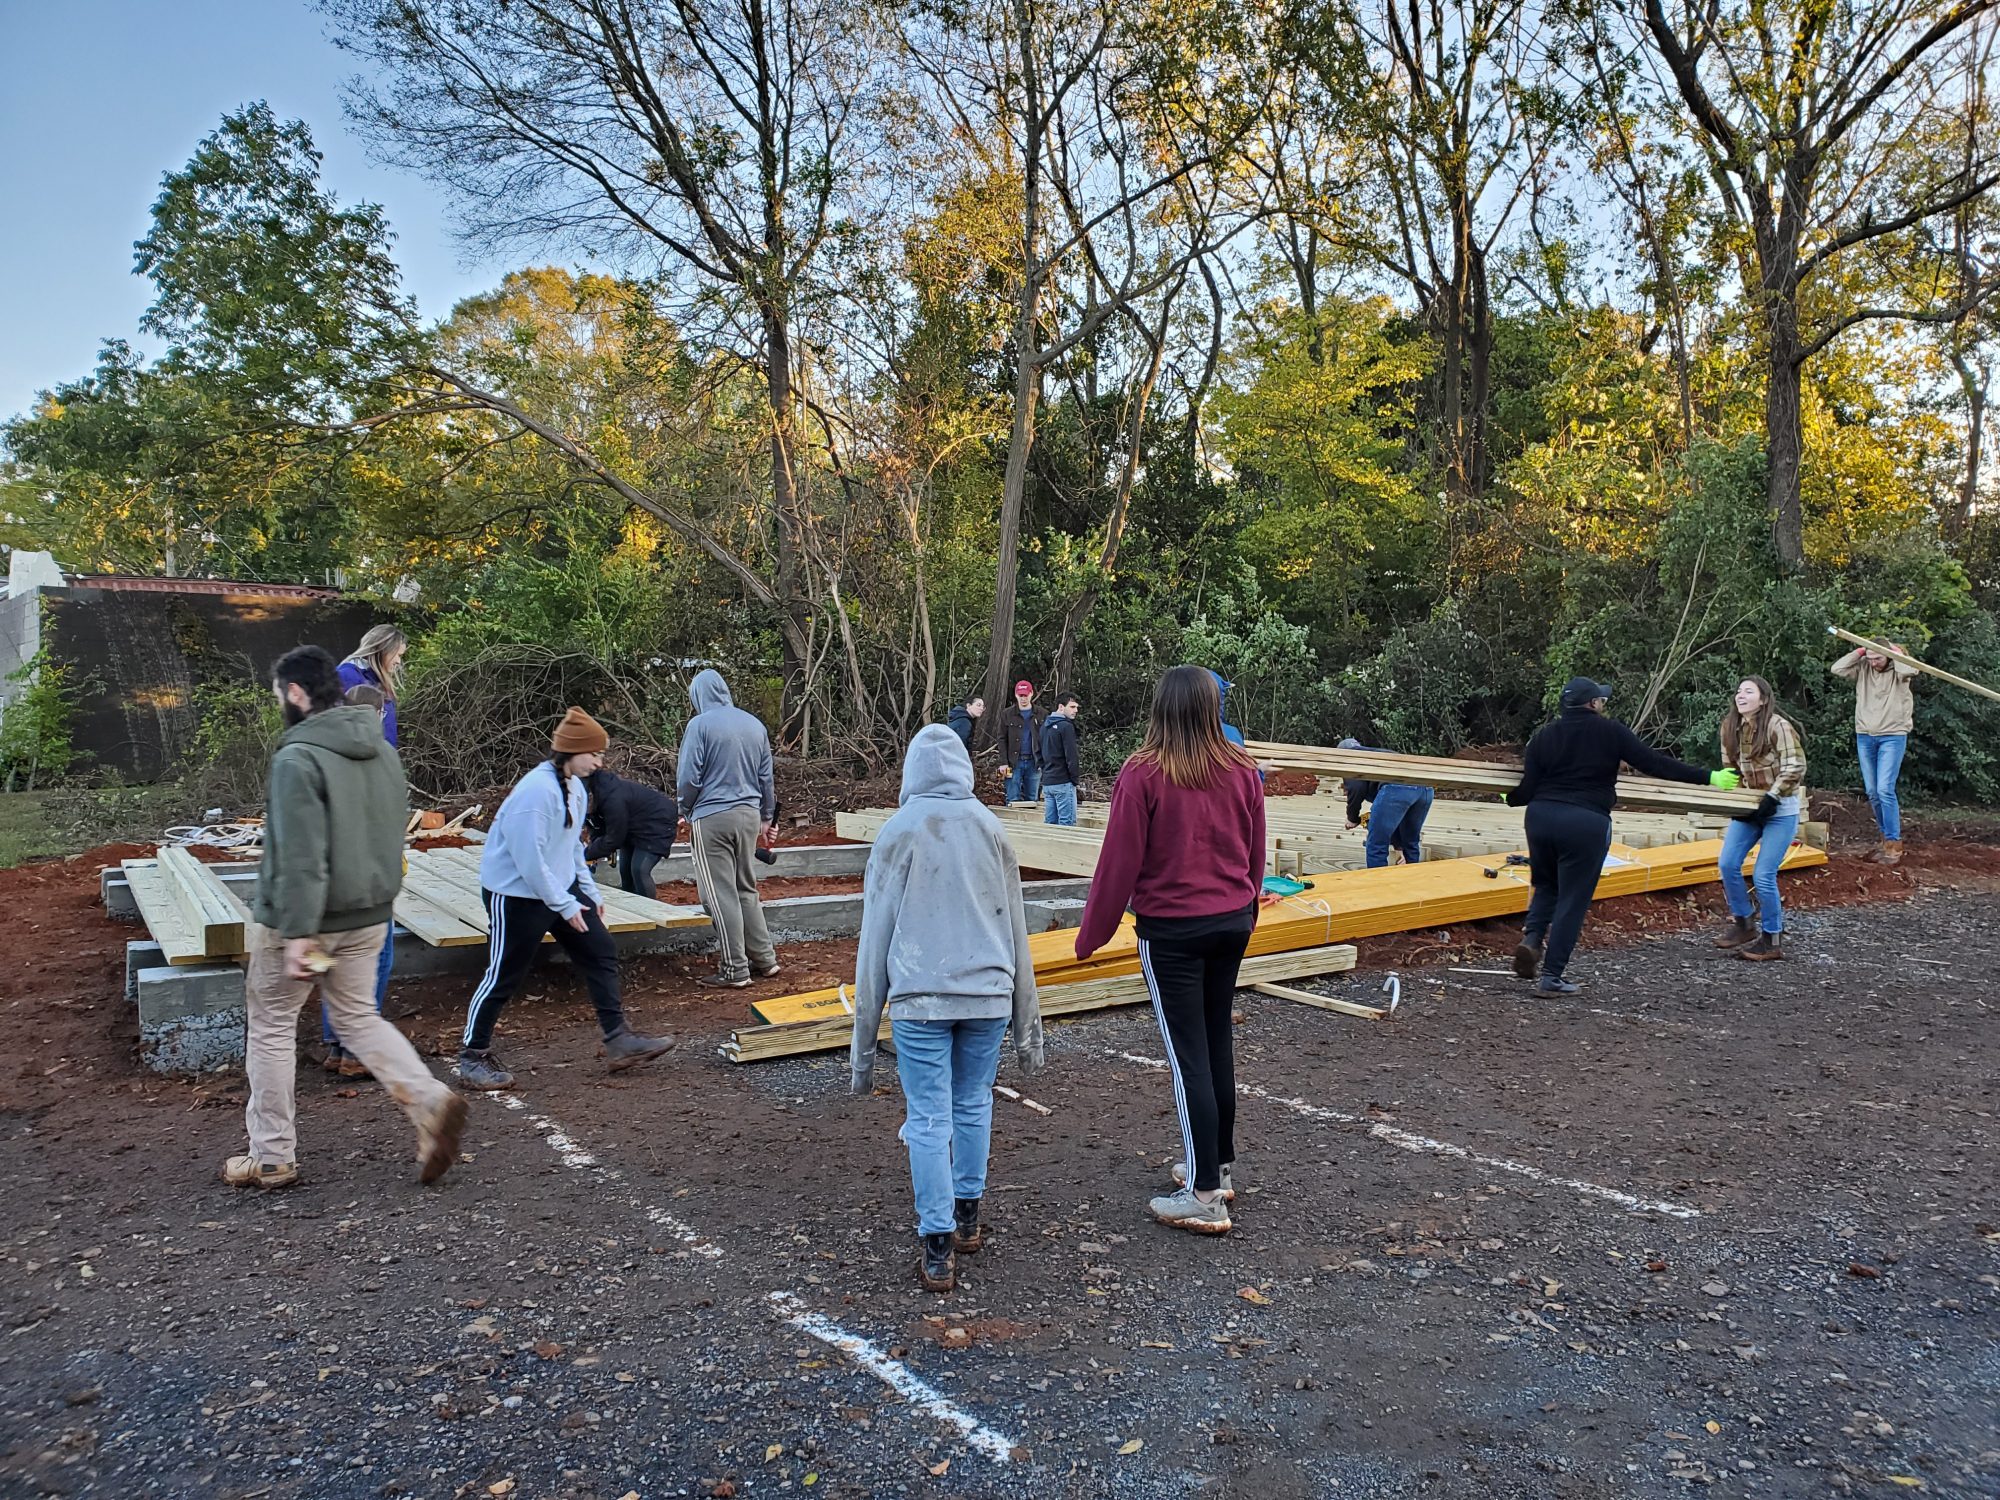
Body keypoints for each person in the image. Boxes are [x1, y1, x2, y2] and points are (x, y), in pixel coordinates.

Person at [226, 646, 465, 1190]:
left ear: (294, 693)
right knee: (358, 1018)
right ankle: (430, 1101)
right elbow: (388, 837)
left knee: (271, 1024)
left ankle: (271, 1155)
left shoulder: (297, 757)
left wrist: (299, 932)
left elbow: (301, 855)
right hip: (370, 917)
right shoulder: (382, 752)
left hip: (309, 923)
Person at [850, 726, 1044, 1293]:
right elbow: (1017, 932)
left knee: (929, 1115)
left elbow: (873, 943)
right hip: (988, 995)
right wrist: (1029, 1034)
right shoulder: (992, 829)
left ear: (911, 771)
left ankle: (937, 1247)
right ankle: (968, 1217)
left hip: (920, 1000)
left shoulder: (898, 832)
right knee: (973, 1102)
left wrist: (861, 1054)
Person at [1076, 666, 1268, 1235]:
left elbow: (1119, 863)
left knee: (1189, 1062)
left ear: (1160, 708)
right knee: (1216, 1046)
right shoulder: (1243, 769)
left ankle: (1205, 1194)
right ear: (1212, 708)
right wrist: (1249, 908)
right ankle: (1219, 1166)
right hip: (1231, 922)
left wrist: (1092, 936)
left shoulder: (1144, 774)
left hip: (1173, 933)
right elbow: (1255, 851)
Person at [456, 709, 677, 1090]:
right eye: (593, 752)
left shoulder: (575, 787)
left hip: (556, 887)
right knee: (504, 973)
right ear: (571, 752)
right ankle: (472, 1056)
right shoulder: (535, 793)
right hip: (516, 894)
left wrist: (589, 894)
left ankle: (619, 1040)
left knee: (600, 949)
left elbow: (574, 845)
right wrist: (565, 904)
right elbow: (530, 863)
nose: (599, 760)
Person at [1507, 677, 1738, 995]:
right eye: (1600, 699)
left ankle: (1532, 940)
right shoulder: (1609, 731)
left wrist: (1509, 798)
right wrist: (1708, 776)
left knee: (1546, 884)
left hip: (1540, 818)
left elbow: (1527, 789)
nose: (1603, 703)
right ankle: (1551, 976)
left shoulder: (1543, 737)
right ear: (1592, 704)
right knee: (1573, 900)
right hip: (1585, 821)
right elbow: (1653, 763)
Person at [321, 625, 408, 1078]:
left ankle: (338, 1044)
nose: (399, 664)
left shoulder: (314, 759)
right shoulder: (360, 688)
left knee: (341, 945)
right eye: (399, 656)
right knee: (375, 945)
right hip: (365, 851)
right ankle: (357, 1048)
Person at [677, 668, 781, 989]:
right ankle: (765, 959)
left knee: (720, 894)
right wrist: (766, 817)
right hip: (749, 816)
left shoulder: (699, 725)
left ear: (698, 695)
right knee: (746, 889)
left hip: (713, 818)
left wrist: (684, 808)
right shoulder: (754, 725)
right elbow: (766, 778)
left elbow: (689, 777)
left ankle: (734, 968)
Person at [1714, 676, 1808, 962]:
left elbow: (1796, 765)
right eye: (1739, 691)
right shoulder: (1729, 727)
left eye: (1749, 691)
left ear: (1763, 699)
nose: (1741, 695)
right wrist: (1731, 796)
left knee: (1763, 874)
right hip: (1749, 806)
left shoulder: (1777, 726)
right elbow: (1729, 767)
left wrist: (1773, 797)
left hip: (1779, 809)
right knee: (1727, 863)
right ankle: (1743, 923)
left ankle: (1771, 939)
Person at [1830, 640, 1916, 866]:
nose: (1874, 662)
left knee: (1885, 789)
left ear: (1887, 655)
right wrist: (1860, 650)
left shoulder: (1899, 670)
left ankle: (1894, 845)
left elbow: (1911, 668)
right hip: (1865, 735)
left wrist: (1895, 652)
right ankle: (1885, 838)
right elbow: (1836, 668)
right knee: (1872, 791)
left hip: (1893, 735)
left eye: (1878, 658)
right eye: (1870, 658)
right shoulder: (1863, 668)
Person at [584, 765, 679, 901]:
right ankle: (633, 909)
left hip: (657, 822)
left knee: (639, 870)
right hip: (631, 825)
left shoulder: (613, 798)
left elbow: (614, 837)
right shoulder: (594, 795)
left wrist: (587, 854)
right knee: (625, 871)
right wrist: (594, 850)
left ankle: (650, 912)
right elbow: (597, 826)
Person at [1338, 737, 1434, 868]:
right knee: (1410, 843)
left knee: (1376, 845)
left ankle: (1379, 885)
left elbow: (1356, 788)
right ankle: (1412, 879)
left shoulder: (1350, 759)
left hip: (1397, 788)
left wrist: (1352, 817)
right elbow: (1396, 816)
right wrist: (1399, 848)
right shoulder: (1377, 754)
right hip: (1426, 787)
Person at [997, 682, 1046, 805]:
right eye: (1020, 695)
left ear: (1031, 694)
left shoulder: (1042, 714)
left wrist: (1044, 761)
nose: (1023, 698)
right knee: (1012, 798)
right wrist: (1003, 762)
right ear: (1016, 695)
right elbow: (1001, 738)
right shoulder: (1007, 714)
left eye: (1026, 695)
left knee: (1032, 799)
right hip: (1013, 762)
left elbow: (1046, 739)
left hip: (1034, 762)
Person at [1040, 692, 1082, 826]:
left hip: (1048, 782)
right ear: (1061, 707)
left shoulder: (1044, 726)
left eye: (1076, 707)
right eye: (1072, 707)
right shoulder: (1066, 726)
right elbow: (1071, 756)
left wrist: (1044, 771)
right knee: (1067, 825)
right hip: (1063, 782)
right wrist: (1074, 779)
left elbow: (1037, 751)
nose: (1076, 710)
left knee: (1050, 824)